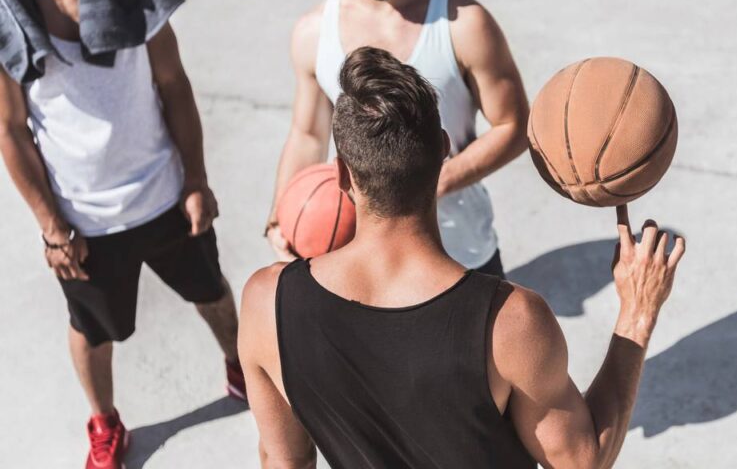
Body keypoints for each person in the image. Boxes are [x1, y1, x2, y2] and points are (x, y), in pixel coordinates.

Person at [240, 47, 685, 468]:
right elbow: (582, 460)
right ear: (444, 150)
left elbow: (284, 461)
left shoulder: (265, 303)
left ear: (339, 175)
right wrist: (637, 315)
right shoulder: (511, 323)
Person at [0, 0, 245, 467]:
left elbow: (174, 84)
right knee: (92, 331)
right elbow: (10, 131)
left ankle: (239, 366)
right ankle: (106, 422)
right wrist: (52, 228)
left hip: (163, 192)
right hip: (83, 218)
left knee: (211, 292)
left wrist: (196, 179)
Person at [264, 0, 529, 277]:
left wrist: (428, 182)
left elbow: (514, 126)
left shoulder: (464, 24)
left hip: (459, 251)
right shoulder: (313, 33)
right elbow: (307, 135)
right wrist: (282, 216)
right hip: (357, 265)